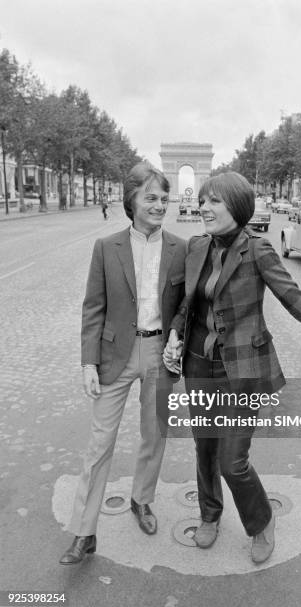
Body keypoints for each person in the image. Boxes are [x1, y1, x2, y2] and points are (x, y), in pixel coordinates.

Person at [163, 171, 301, 565]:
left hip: (245, 369)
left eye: (214, 201)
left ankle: (261, 521)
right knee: (204, 448)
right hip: (199, 364)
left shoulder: (258, 250)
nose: (204, 207)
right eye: (204, 200)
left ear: (237, 206)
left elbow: (294, 298)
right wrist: (176, 334)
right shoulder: (196, 247)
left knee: (232, 460)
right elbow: (186, 303)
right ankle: (209, 515)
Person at [59, 163, 186, 565]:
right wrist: (88, 363)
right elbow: (93, 308)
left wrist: (179, 338)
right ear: (131, 200)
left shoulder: (182, 249)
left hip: (159, 353)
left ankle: (142, 501)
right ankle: (84, 530)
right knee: (99, 444)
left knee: (154, 436)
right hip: (115, 354)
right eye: (150, 197)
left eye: (164, 199)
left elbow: (186, 304)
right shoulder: (105, 247)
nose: (159, 205)